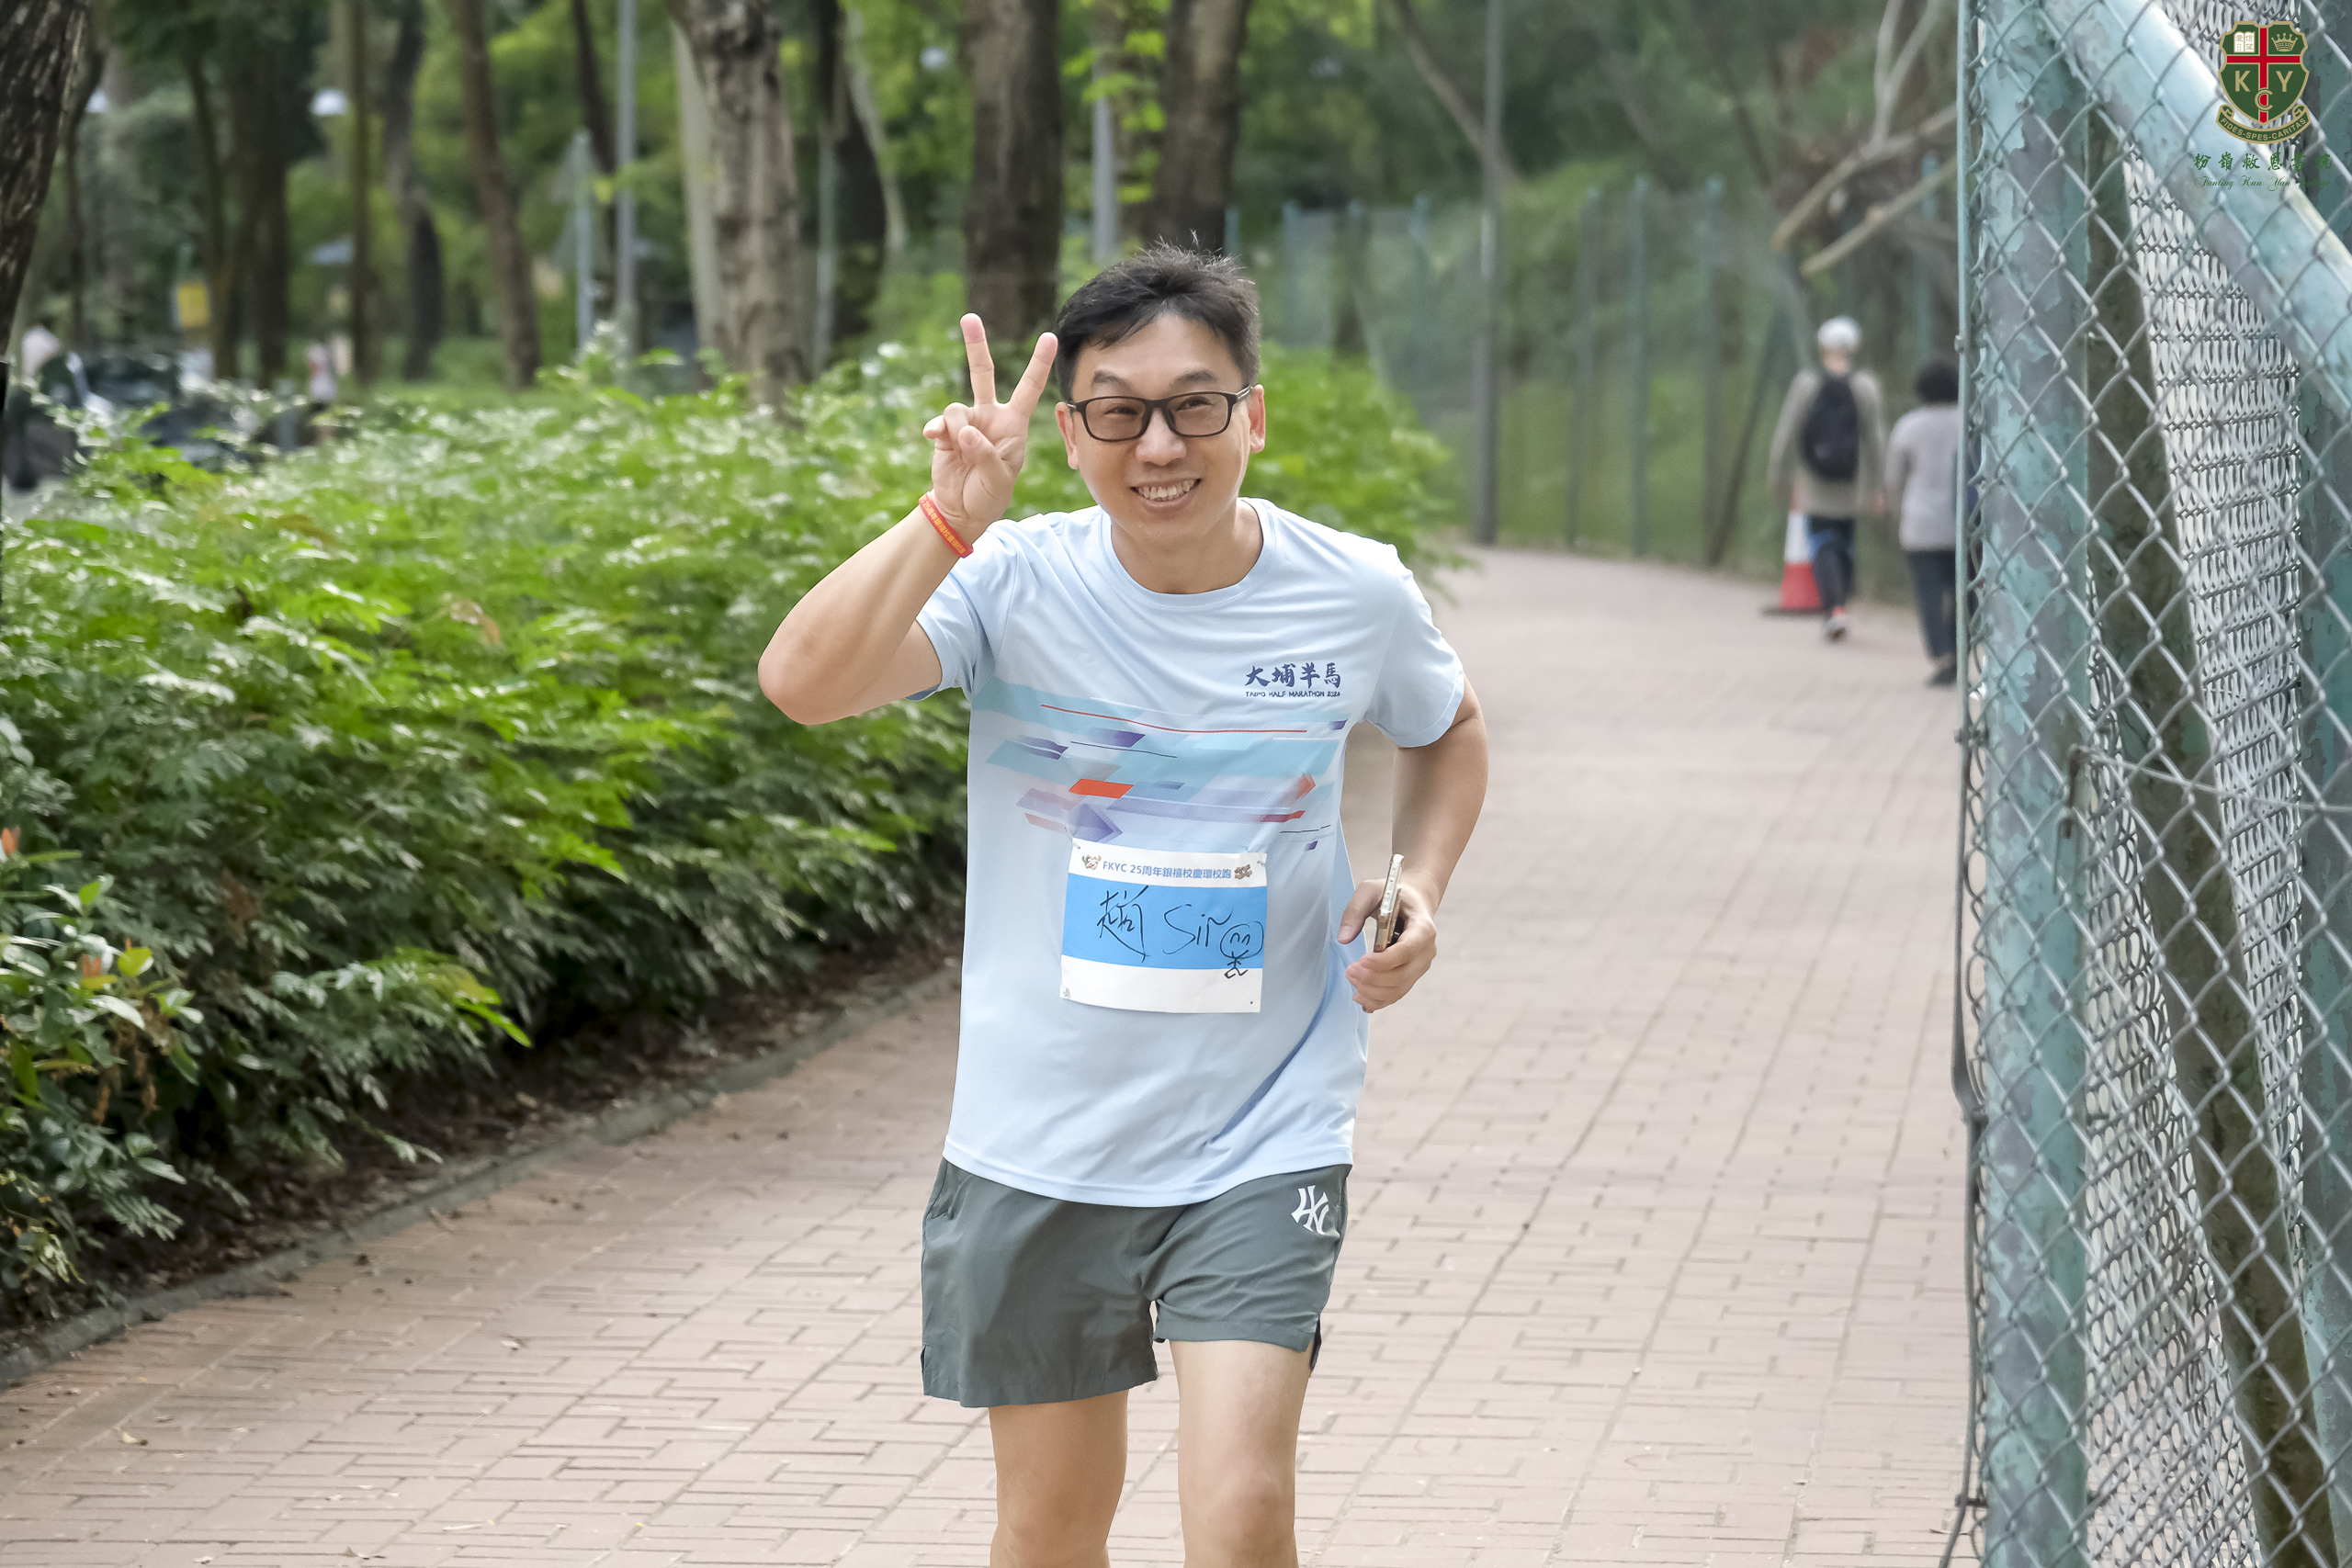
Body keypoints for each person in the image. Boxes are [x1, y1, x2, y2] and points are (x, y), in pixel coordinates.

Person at [758, 244, 1488, 1565]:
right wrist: (946, 521)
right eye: (1118, 411)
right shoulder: (1012, 581)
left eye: (1195, 405)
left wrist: (1418, 884)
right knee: (1049, 1528)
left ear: (1252, 417)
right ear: (1072, 435)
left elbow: (1448, 728)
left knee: (1243, 1509)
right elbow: (803, 683)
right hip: (1038, 1133)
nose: (1160, 445)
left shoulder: (1352, 591)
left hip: (1264, 1126)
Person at [1768, 316, 1887, 641]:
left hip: (1814, 478)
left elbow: (1787, 430)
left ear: (1822, 346)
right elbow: (1876, 437)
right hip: (1853, 480)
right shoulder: (1866, 385)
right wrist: (1878, 484)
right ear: (1854, 347)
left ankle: (1833, 608)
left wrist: (1778, 472)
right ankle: (1841, 603)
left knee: (1821, 542)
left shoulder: (1806, 383)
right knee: (1845, 541)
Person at [1885, 361, 1962, 685]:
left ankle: (1941, 654)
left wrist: (1896, 511)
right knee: (1964, 594)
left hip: (1920, 524)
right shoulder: (1970, 421)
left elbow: (1894, 478)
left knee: (1928, 594)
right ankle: (1960, 649)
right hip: (1963, 523)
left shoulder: (1908, 426)